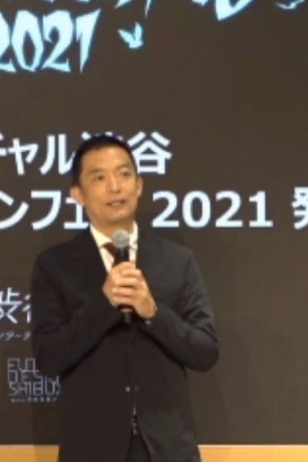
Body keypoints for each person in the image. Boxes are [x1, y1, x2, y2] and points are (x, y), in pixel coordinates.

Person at [30, 133, 219, 462]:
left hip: (167, 449)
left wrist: (153, 313)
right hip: (91, 450)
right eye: (99, 177)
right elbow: (48, 357)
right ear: (78, 194)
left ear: (139, 185)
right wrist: (104, 305)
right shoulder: (55, 266)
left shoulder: (177, 261)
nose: (115, 187)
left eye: (124, 174)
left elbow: (206, 352)